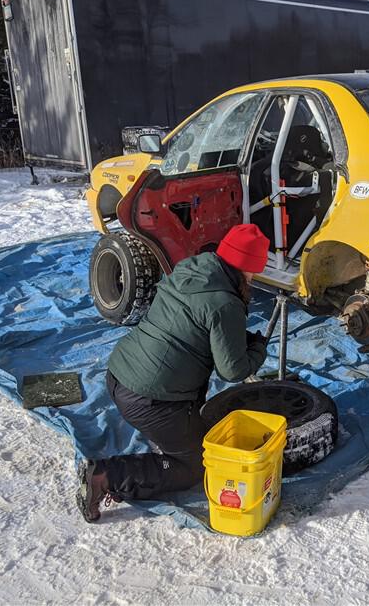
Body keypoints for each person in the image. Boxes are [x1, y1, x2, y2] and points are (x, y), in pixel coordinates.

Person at [76, 223, 271, 522]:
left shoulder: (189, 271)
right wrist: (258, 348)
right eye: (254, 272)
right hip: (149, 399)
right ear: (246, 268)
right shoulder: (225, 303)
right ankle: (106, 475)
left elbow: (196, 326)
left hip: (120, 374)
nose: (254, 279)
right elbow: (233, 370)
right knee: (195, 465)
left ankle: (161, 440)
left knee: (194, 425)